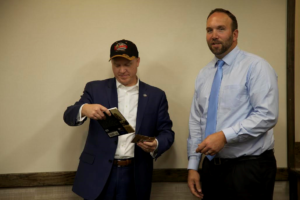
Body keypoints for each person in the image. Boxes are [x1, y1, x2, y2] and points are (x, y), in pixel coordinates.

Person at [64, 39, 174, 200]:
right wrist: (84, 109)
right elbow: (68, 115)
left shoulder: (156, 95)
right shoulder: (95, 89)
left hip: (136, 174)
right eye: (117, 65)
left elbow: (167, 133)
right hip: (98, 174)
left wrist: (156, 143)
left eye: (127, 64)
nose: (122, 70)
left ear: (137, 62)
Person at [187, 8, 278, 200]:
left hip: (249, 168)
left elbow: (267, 115)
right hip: (211, 169)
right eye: (209, 30)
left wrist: (225, 136)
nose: (214, 35)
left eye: (220, 29)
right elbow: (197, 121)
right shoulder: (204, 74)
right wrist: (193, 166)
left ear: (234, 34)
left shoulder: (256, 67)